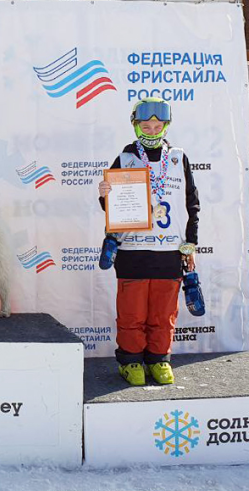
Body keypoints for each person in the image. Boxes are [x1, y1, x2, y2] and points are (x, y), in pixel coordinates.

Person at [97, 97, 200, 386]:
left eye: (158, 126)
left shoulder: (179, 157)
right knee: (132, 312)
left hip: (169, 250)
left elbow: (192, 204)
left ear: (166, 126)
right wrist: (105, 193)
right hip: (133, 250)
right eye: (146, 125)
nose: (152, 131)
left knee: (163, 312)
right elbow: (111, 207)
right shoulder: (126, 157)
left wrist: (191, 243)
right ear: (135, 124)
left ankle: (159, 359)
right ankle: (130, 361)